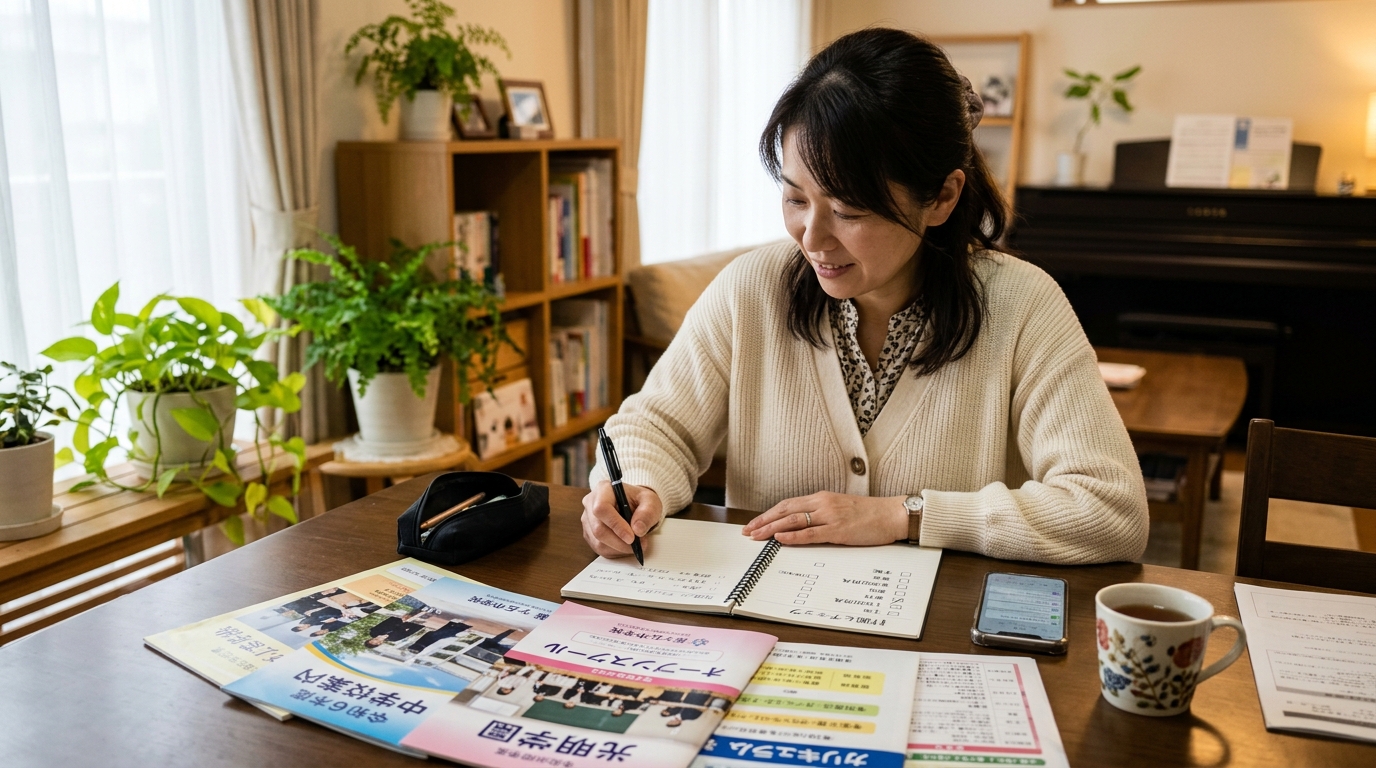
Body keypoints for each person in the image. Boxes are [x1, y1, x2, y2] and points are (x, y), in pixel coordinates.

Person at [581, 27, 1148, 566]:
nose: (812, 238)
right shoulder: (751, 288)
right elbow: (657, 426)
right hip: (762, 616)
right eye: (795, 199)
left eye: (848, 210)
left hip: (944, 627)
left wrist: (905, 516)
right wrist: (635, 484)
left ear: (942, 197)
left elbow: (1111, 509)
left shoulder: (1023, 306)